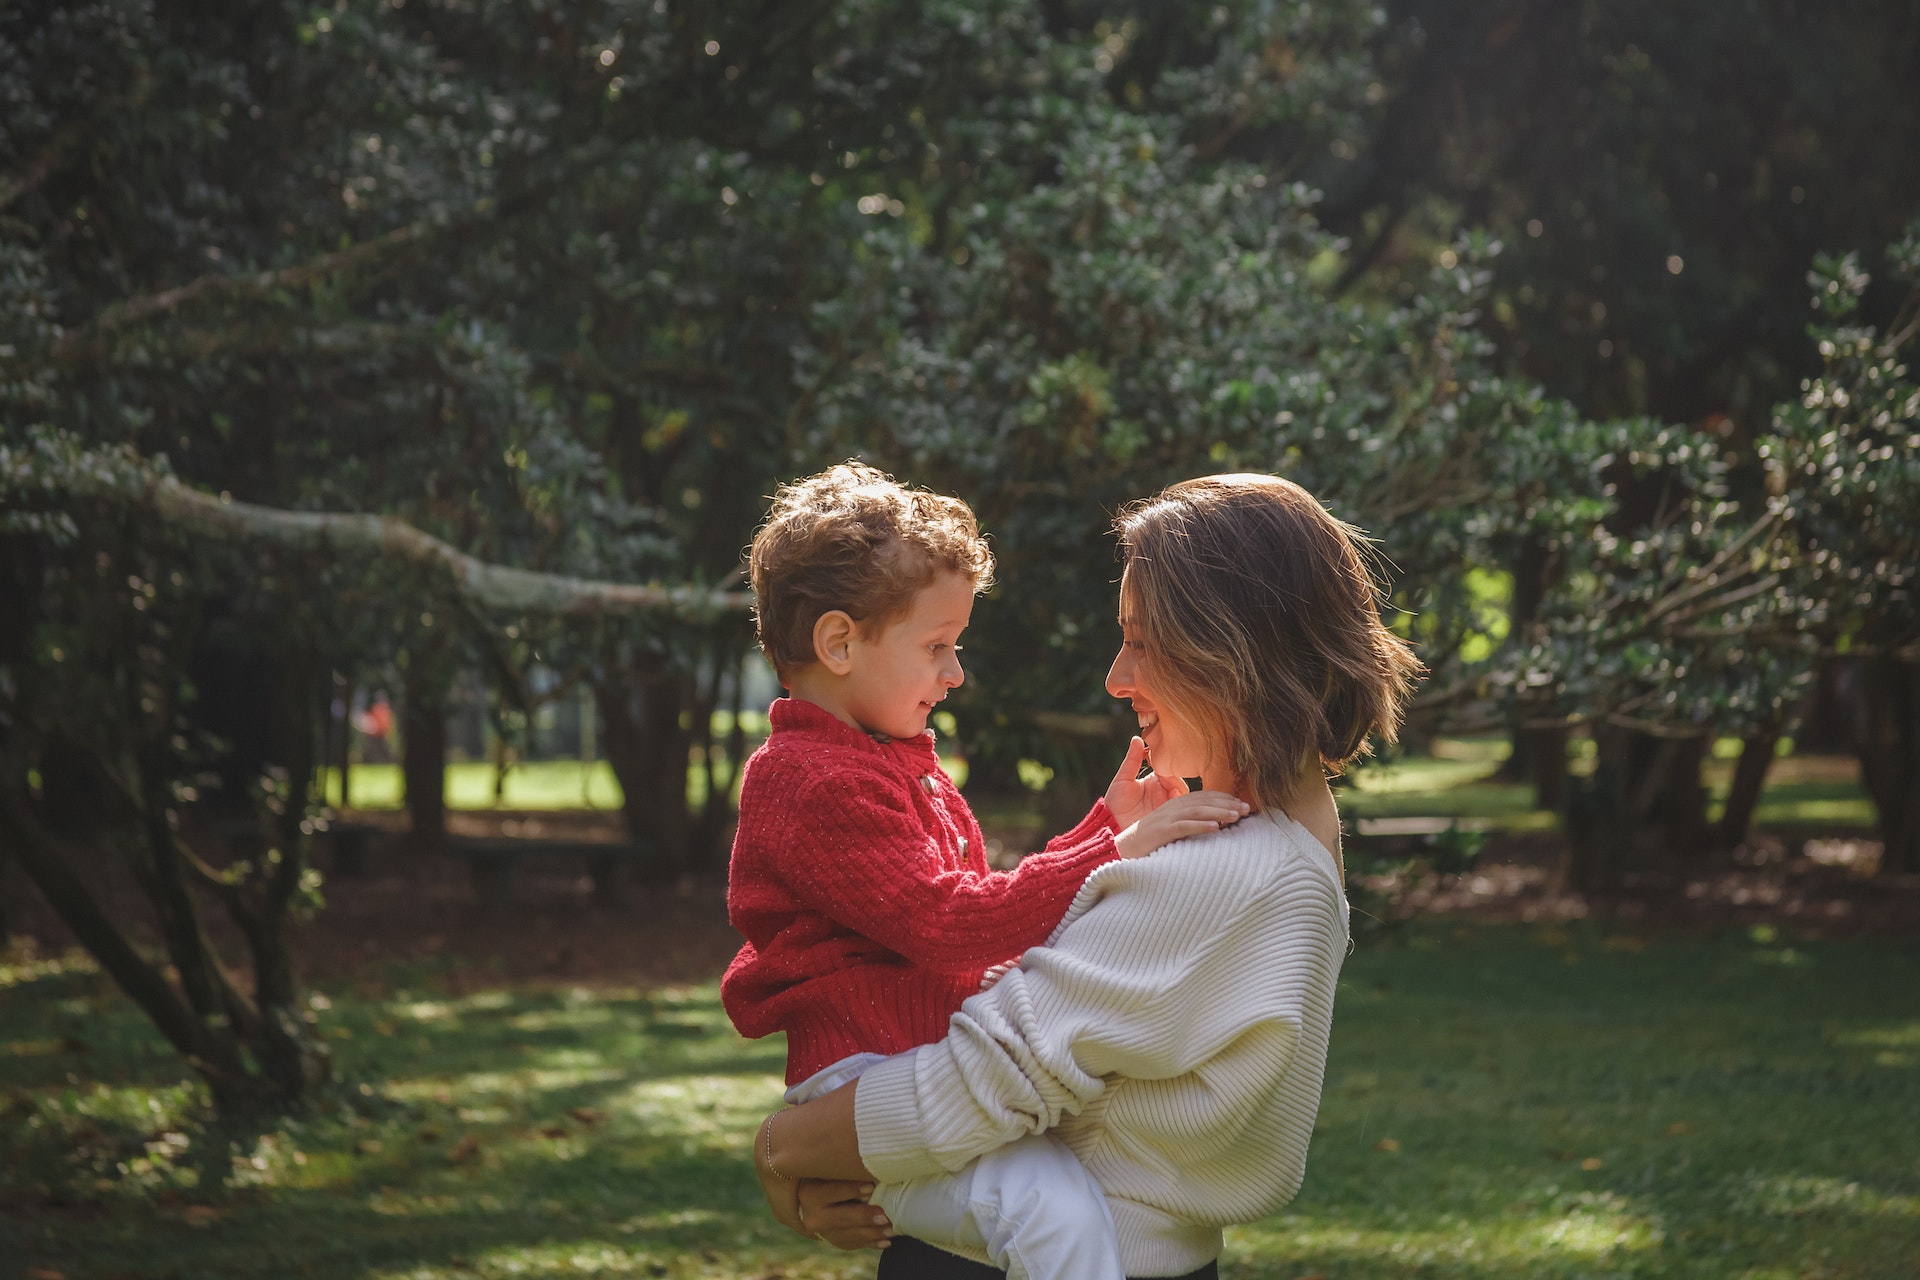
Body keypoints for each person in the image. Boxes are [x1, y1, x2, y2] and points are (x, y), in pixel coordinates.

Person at [752, 473, 1425, 1280]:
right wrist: (1107, 837)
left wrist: (782, 1151)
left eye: (1142, 640)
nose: (1115, 676)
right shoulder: (1299, 844)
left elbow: (976, 1083)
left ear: (1229, 649)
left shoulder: (1226, 876)